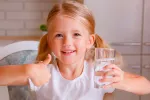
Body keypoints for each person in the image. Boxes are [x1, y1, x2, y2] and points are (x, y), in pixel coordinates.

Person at [0, 1, 150, 99]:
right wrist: (26, 71)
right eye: (59, 35)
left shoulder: (99, 74)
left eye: (76, 34)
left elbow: (145, 86)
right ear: (49, 41)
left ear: (89, 41)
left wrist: (121, 79)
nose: (67, 42)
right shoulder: (43, 74)